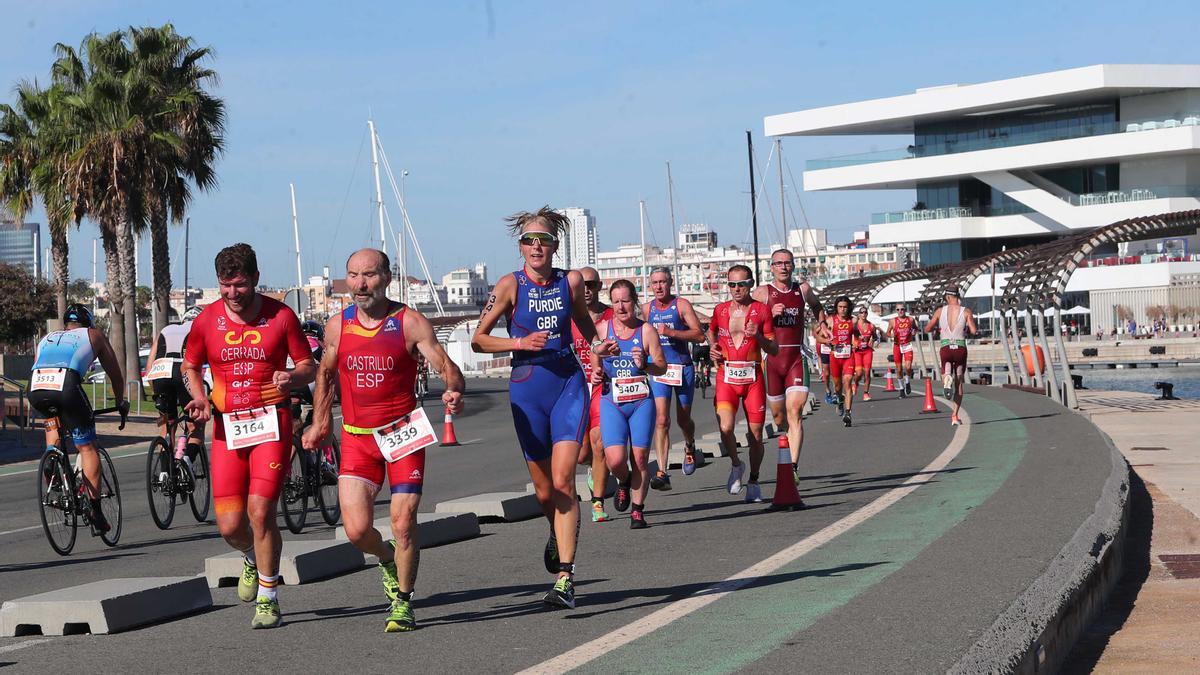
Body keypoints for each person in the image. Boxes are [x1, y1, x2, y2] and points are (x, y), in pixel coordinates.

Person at [303, 248, 465, 632]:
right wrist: (320, 421)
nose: (360, 284)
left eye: (369, 275)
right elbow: (325, 375)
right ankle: (387, 558)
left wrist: (454, 389)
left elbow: (445, 367)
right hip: (358, 439)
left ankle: (404, 602)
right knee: (357, 530)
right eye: (353, 275)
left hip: (402, 434)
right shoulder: (337, 326)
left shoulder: (408, 322)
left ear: (387, 278)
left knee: (403, 520)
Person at [471, 207, 616, 609]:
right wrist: (518, 343)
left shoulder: (570, 281)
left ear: (556, 245)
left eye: (545, 239)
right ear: (520, 246)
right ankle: (555, 527)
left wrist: (596, 346)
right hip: (526, 387)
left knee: (564, 480)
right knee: (543, 491)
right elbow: (479, 340)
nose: (537, 246)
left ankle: (565, 577)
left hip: (567, 382)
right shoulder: (508, 285)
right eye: (529, 240)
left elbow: (584, 323)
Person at [182, 243, 317, 629]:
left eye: (239, 285)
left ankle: (269, 596)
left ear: (256, 279)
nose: (232, 294)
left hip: (271, 424)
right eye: (225, 286)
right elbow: (191, 366)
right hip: (227, 428)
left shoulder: (281, 316)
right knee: (229, 527)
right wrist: (200, 397)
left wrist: (292, 377)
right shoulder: (207, 320)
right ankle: (250, 557)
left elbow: (308, 365)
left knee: (261, 512)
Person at [29, 304, 128, 535]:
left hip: (37, 387)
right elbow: (114, 373)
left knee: (53, 426)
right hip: (66, 384)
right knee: (87, 446)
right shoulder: (94, 335)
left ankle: (52, 462)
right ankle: (95, 510)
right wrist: (121, 401)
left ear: (66, 325)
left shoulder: (48, 337)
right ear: (88, 323)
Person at [591, 280, 667, 529]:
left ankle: (637, 510)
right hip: (612, 401)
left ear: (633, 301)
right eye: (616, 302)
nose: (621, 307)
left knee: (641, 458)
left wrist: (645, 363)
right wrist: (596, 371)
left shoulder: (646, 331)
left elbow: (661, 365)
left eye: (625, 301)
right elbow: (595, 357)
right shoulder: (602, 328)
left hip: (641, 402)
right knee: (615, 460)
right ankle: (623, 481)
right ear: (610, 303)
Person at [709, 264, 778, 503]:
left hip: (753, 379)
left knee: (756, 435)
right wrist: (713, 349)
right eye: (731, 284)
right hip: (726, 377)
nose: (736, 289)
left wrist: (757, 335)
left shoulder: (762, 310)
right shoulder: (720, 310)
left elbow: (774, 348)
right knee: (726, 427)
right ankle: (737, 465)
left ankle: (755, 480)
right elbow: (711, 333)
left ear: (750, 284)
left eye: (741, 284)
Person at [752, 250, 823, 481]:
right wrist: (768, 314)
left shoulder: (802, 289)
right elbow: (748, 323)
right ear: (771, 267)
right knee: (780, 418)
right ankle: (785, 435)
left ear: (793, 266)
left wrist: (822, 324)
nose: (783, 267)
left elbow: (817, 307)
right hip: (771, 360)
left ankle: (792, 467)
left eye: (787, 263)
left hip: (795, 357)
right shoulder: (762, 292)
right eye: (778, 264)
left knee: (796, 412)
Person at [645, 267, 705, 487]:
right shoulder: (646, 309)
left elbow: (699, 335)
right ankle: (662, 471)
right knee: (661, 420)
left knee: (683, 419)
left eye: (663, 282)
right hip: (660, 370)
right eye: (655, 283)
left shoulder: (681, 305)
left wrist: (671, 332)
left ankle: (689, 444)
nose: (659, 286)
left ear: (670, 283)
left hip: (682, 368)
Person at [570, 266, 614, 523]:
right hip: (576, 387)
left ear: (599, 287)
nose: (586, 290)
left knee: (599, 443)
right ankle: (592, 469)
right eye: (582, 285)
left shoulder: (611, 315)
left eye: (592, 285)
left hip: (603, 386)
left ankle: (597, 503)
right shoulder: (570, 317)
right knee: (581, 453)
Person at [147, 305, 206, 461]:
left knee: (167, 424)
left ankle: (165, 474)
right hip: (182, 371)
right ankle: (188, 462)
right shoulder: (201, 329)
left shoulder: (166, 330)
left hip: (160, 373)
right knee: (195, 426)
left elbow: (148, 369)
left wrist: (156, 394)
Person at [924, 287, 977, 425]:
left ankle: (947, 378)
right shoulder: (966, 311)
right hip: (960, 347)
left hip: (946, 346)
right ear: (957, 296)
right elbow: (974, 330)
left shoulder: (940, 311)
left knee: (946, 370)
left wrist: (938, 328)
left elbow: (927, 329)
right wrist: (965, 328)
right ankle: (955, 416)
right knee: (959, 383)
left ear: (947, 297)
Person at [817, 296, 859, 427]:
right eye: (840, 307)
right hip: (834, 357)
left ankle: (848, 412)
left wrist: (856, 341)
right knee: (838, 386)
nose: (842, 309)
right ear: (836, 308)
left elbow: (856, 333)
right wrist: (827, 341)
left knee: (847, 382)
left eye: (845, 307)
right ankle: (840, 401)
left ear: (849, 308)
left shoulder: (854, 320)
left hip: (848, 356)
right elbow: (817, 336)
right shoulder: (830, 320)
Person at [886, 304, 917, 397]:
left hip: (907, 345)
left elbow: (915, 329)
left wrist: (914, 332)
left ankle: (907, 382)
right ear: (896, 310)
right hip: (897, 346)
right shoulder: (892, 321)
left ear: (905, 310)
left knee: (908, 367)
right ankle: (901, 388)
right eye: (898, 309)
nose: (900, 311)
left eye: (902, 309)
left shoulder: (911, 319)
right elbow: (887, 332)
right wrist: (891, 336)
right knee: (899, 369)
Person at [851, 306, 877, 402]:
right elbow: (848, 335)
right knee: (858, 373)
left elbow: (875, 337)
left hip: (867, 351)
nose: (863, 314)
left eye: (865, 312)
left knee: (867, 373)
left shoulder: (871, 326)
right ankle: (856, 384)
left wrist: (872, 341)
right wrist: (853, 344)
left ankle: (866, 393)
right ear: (859, 314)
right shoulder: (855, 325)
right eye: (861, 312)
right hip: (857, 351)